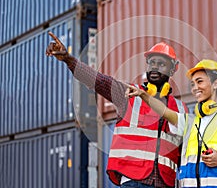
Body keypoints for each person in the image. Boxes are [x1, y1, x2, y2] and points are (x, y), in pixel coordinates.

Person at [45, 32, 188, 188]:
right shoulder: (128, 93)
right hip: (133, 181)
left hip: (165, 182)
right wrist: (68, 59)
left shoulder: (181, 109)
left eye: (161, 64)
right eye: (151, 62)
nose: (155, 67)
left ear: (173, 69)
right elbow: (97, 80)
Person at [126, 59, 217, 187]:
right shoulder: (190, 121)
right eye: (193, 84)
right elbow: (164, 111)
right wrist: (143, 95)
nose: (195, 88)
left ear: (215, 84)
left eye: (200, 82)